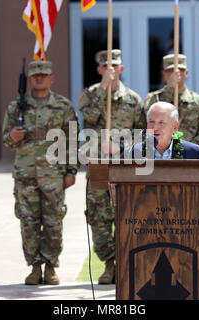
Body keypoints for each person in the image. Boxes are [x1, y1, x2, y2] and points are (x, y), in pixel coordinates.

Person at [2, 61, 79, 285]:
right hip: (25, 175)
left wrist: (72, 169)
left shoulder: (63, 106)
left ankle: (51, 266)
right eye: (35, 75)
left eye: (44, 75)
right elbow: (7, 140)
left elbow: (72, 139)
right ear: (29, 78)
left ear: (51, 78)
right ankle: (35, 267)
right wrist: (12, 138)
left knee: (54, 222)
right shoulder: (16, 107)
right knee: (28, 222)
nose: (39, 78)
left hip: (53, 175)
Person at [78, 49, 147, 284]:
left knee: (127, 215)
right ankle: (109, 264)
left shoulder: (133, 99)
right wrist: (104, 89)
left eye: (115, 66)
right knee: (99, 217)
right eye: (106, 67)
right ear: (99, 69)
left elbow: (142, 135)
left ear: (122, 69)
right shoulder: (89, 95)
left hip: (124, 166)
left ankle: (127, 263)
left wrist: (120, 146)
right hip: (98, 166)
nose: (112, 70)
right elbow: (90, 115)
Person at [144, 54, 199, 152]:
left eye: (180, 71)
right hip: (160, 154)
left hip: (188, 155)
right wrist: (171, 88)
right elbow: (147, 125)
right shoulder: (155, 98)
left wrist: (190, 149)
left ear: (186, 73)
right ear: (163, 74)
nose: (175, 74)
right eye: (170, 71)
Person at [126, 101, 199, 160]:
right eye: (151, 122)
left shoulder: (194, 153)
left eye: (161, 122)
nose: (155, 127)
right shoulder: (133, 153)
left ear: (175, 127)